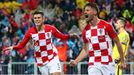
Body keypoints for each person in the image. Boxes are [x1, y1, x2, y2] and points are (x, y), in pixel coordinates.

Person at [3, 11, 76, 75]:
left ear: (43, 19)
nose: (37, 20)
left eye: (39, 18)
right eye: (35, 18)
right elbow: (22, 44)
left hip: (52, 56)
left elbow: (62, 36)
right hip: (40, 60)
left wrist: (70, 35)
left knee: (56, 74)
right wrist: (13, 47)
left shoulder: (50, 28)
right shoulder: (30, 32)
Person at [70, 3, 125, 75]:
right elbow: (86, 50)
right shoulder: (85, 31)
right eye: (84, 11)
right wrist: (76, 61)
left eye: (87, 10)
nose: (85, 12)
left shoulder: (107, 26)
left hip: (108, 63)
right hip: (94, 64)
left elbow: (118, 42)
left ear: (95, 12)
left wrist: (122, 60)